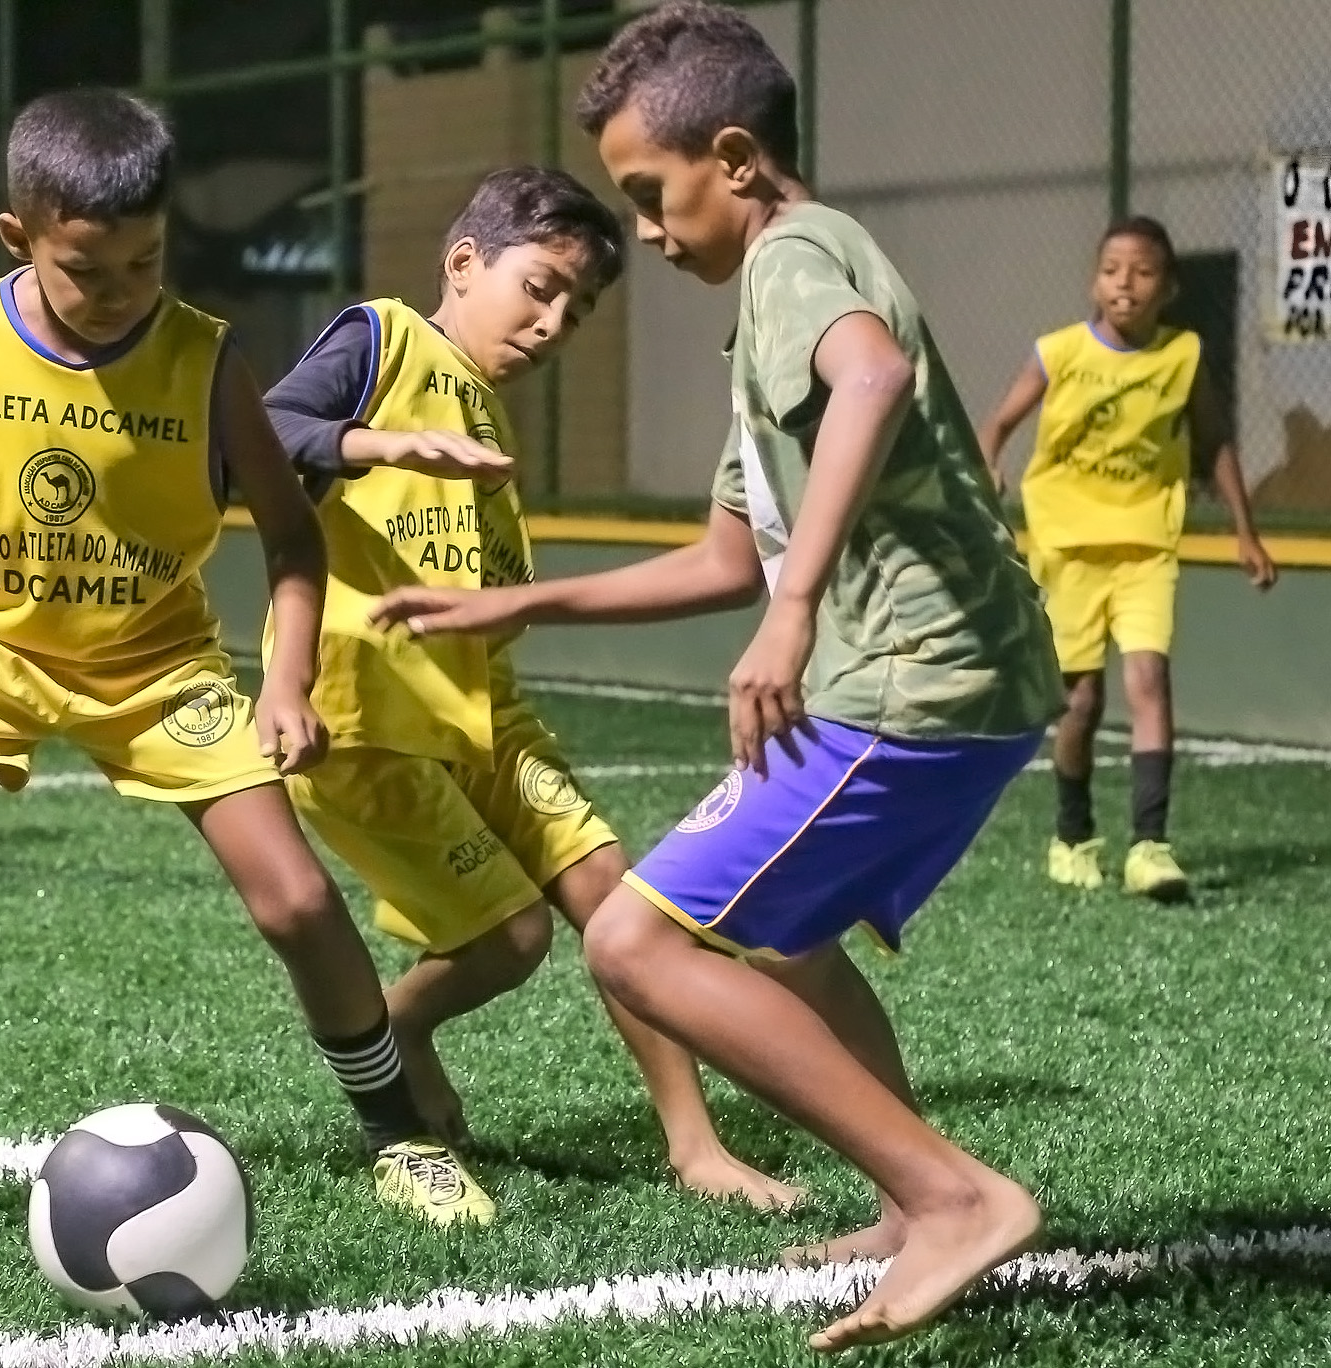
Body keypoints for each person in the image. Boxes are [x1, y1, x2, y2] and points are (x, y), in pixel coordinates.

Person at [372, 2, 1063, 1348]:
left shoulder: (796, 257)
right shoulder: (767, 303)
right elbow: (715, 560)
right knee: (786, 943)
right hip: (957, 673)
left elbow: (861, 383)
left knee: (632, 942)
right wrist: (513, 601)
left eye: (648, 192)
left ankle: (953, 1200)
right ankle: (905, 1197)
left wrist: (794, 612)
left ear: (734, 159)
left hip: (911, 672)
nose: (639, 227)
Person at [0, 88, 490, 1227]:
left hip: (157, 663)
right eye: (88, 270)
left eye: (145, 264)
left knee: (299, 901)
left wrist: (289, 680)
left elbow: (291, 531)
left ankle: (397, 1133)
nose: (120, 294)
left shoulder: (203, 358)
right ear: (18, 237)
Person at [264, 165, 799, 1210]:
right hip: (370, 721)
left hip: (488, 712)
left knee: (624, 907)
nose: (554, 323)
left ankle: (691, 1146)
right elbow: (261, 432)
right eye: (538, 287)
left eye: (578, 307)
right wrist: (373, 442)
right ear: (462, 264)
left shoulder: (486, 413)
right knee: (509, 942)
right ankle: (395, 1026)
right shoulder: (381, 339)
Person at [977, 216, 1278, 900]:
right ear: (1094, 282)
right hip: (1068, 548)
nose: (1125, 284)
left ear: (1166, 288)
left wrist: (1244, 531)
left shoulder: (1183, 356)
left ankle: (1149, 847)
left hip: (1145, 546)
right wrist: (986, 465)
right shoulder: (1058, 353)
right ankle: (1073, 833)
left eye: (1142, 272)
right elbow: (995, 424)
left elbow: (1215, 442)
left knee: (1149, 681)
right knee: (1080, 703)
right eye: (1112, 270)